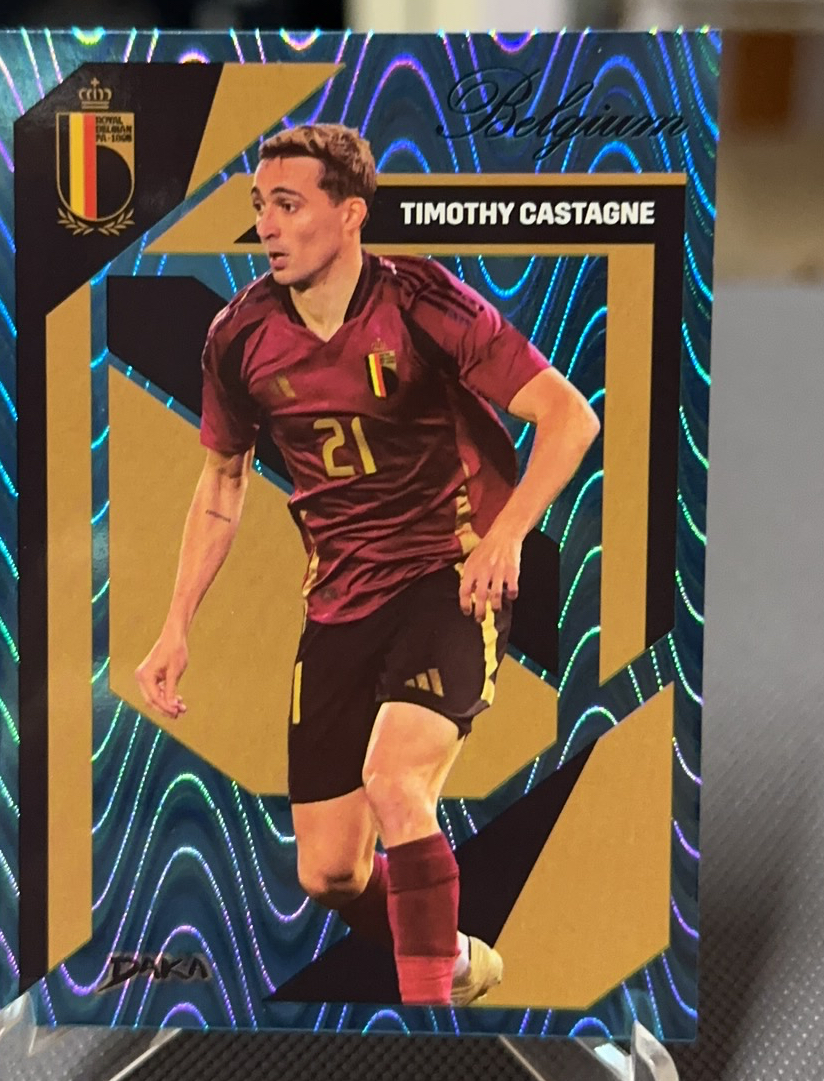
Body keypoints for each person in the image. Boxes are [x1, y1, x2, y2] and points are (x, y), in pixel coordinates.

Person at [136, 123, 600, 1007]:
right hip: (339, 604)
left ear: (350, 215)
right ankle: (450, 955)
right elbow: (222, 484)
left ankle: (428, 1017)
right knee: (329, 874)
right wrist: (175, 626)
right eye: (259, 206)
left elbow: (569, 415)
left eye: (288, 204)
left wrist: (507, 535)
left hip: (446, 578)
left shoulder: (420, 301)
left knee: (394, 781)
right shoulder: (239, 336)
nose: (267, 225)